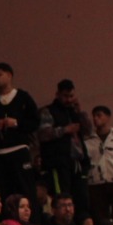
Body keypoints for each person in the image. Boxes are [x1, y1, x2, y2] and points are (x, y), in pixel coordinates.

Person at [0, 63, 39, 201]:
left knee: (25, 190)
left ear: (9, 75)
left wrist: (16, 123)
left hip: (18, 150)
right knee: (1, 192)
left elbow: (35, 122)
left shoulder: (23, 97)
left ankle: (28, 215)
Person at [37, 80, 91, 216]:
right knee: (62, 199)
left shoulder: (74, 112)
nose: (69, 100)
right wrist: (65, 130)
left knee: (81, 200)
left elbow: (88, 131)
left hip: (78, 164)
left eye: (71, 96)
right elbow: (43, 134)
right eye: (65, 96)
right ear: (58, 94)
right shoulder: (48, 111)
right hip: (58, 163)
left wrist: (80, 112)